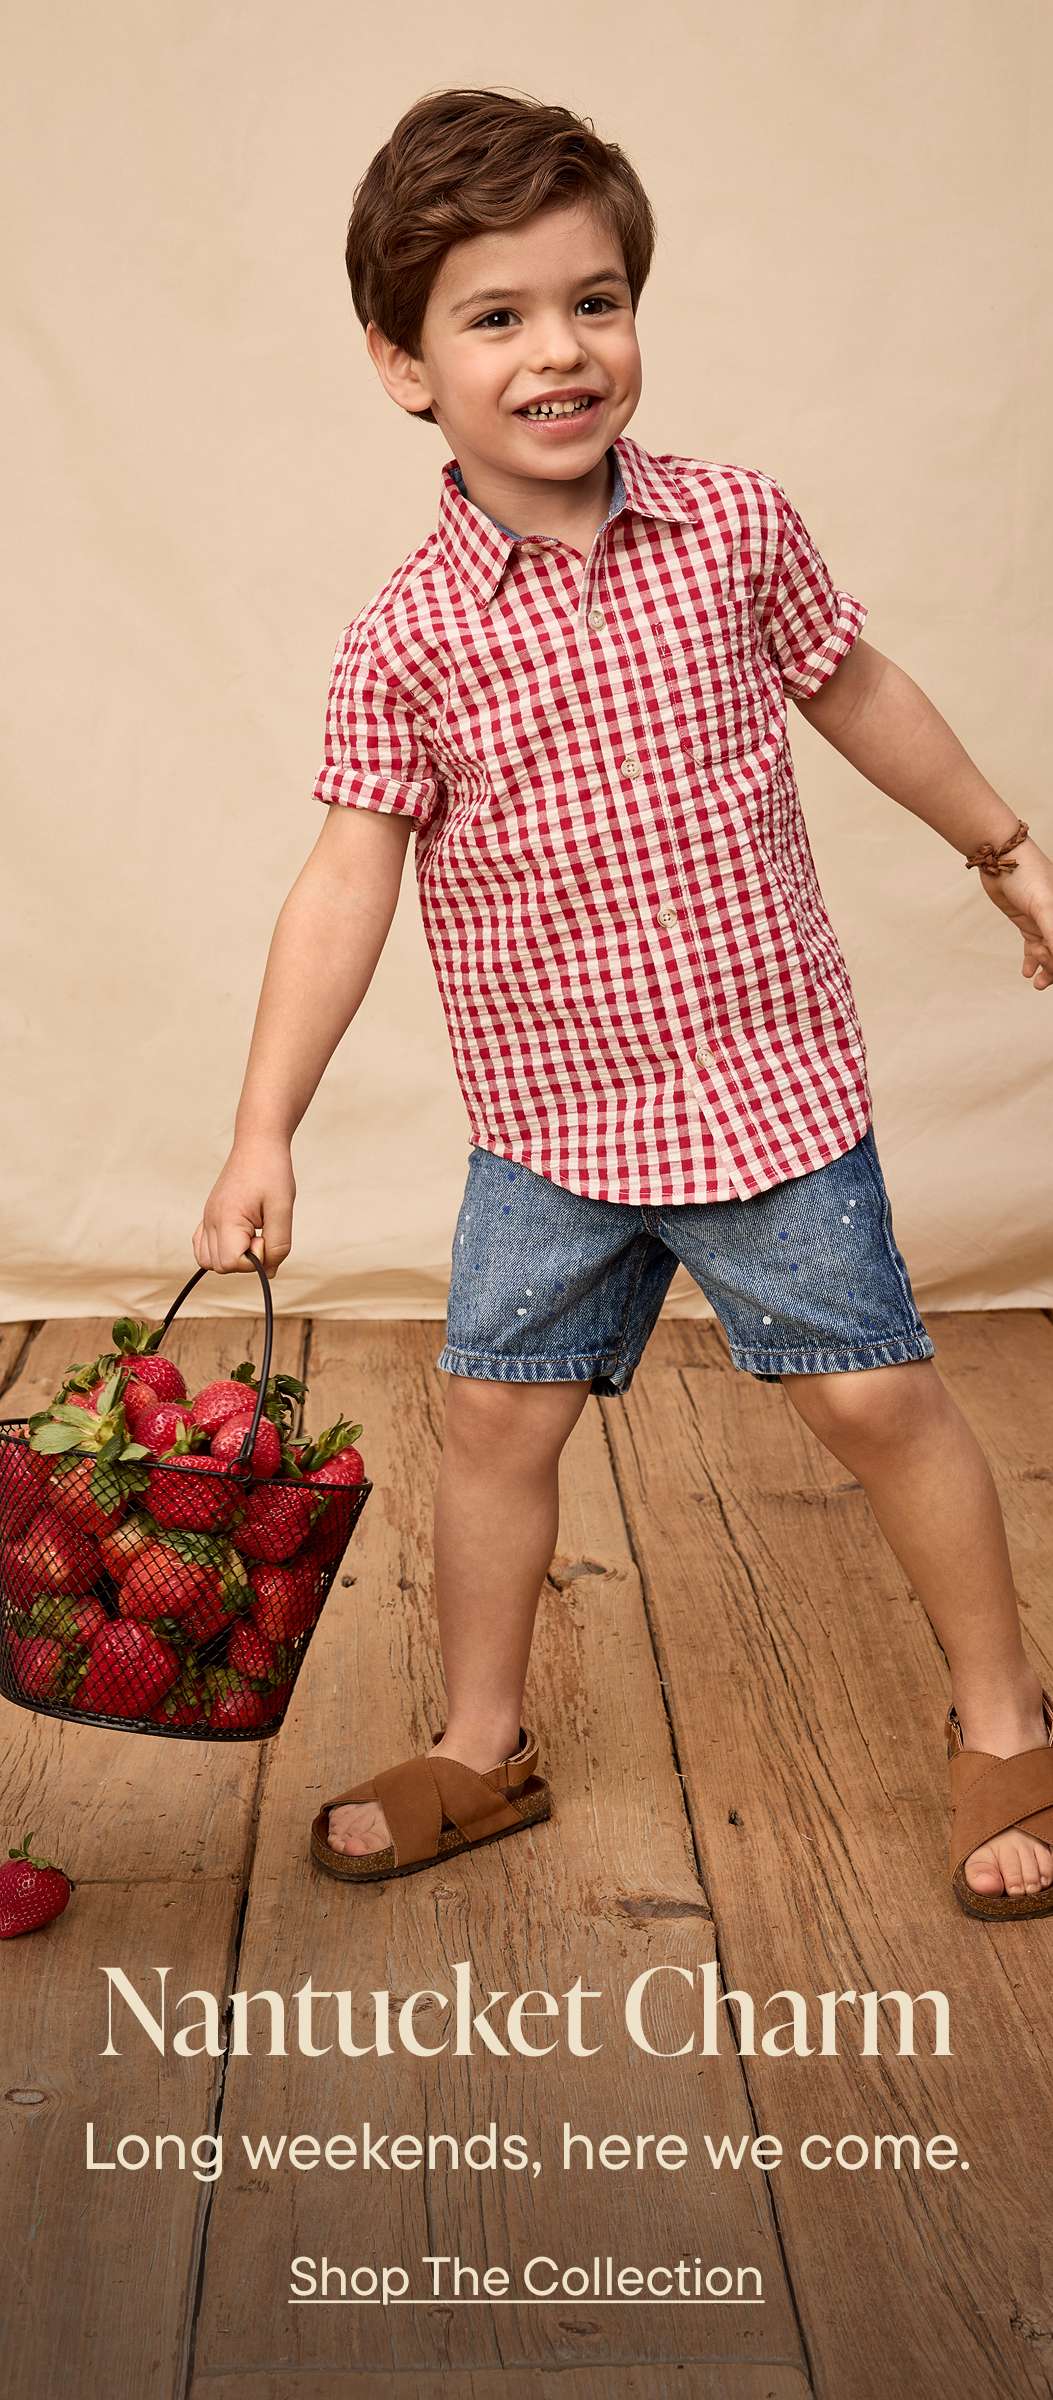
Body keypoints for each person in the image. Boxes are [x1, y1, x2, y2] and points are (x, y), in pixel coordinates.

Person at [193, 86, 1053, 1922]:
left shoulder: (734, 528)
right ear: (403, 366)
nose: (558, 351)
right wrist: (264, 1124)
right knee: (495, 1422)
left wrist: (1003, 850)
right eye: (494, 318)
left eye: (595, 301)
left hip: (761, 1094)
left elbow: (859, 687)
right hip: (553, 1123)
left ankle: (1002, 1717)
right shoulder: (405, 634)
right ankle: (481, 1742)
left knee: (873, 1402)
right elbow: (348, 878)